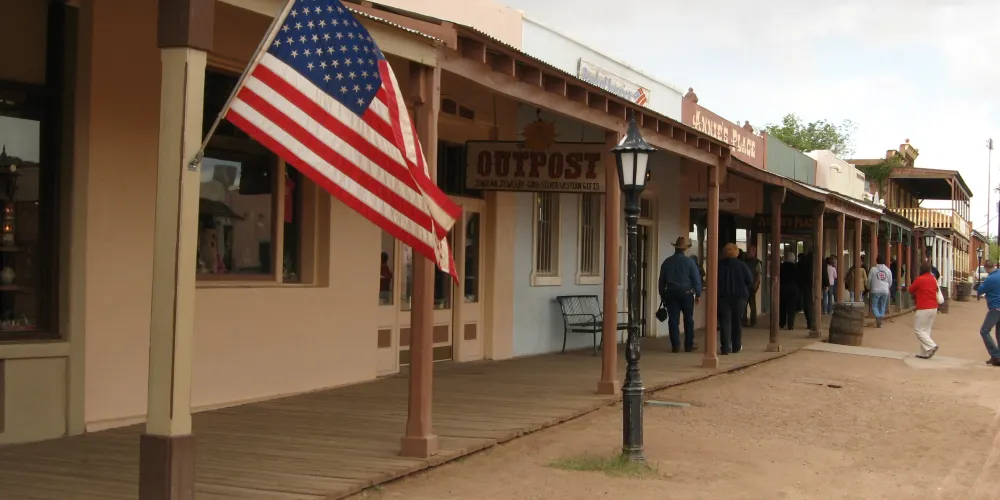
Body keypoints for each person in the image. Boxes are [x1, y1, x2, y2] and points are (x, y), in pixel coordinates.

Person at [658, 236, 702, 353]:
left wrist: (662, 294)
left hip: (671, 293)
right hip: (687, 293)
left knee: (673, 319)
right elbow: (696, 279)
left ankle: (675, 345)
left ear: (675, 248)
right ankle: (689, 344)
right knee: (688, 319)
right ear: (685, 249)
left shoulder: (667, 262)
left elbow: (662, 280)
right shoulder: (690, 262)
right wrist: (698, 294)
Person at [718, 243, 753, 354]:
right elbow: (750, 280)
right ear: (736, 253)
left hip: (723, 296)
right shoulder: (742, 265)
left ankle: (725, 347)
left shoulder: (719, 265)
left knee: (725, 322)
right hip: (739, 297)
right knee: (737, 321)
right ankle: (736, 346)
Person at [908, 261, 940, 359]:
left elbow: (911, 289)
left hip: (923, 307)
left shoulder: (920, 279)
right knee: (926, 330)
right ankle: (924, 353)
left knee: (918, 330)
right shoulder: (933, 279)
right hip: (934, 307)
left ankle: (932, 346)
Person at [975, 260, 1000, 366]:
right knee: (999, 333)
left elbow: (980, 290)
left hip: (996, 307)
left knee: (984, 330)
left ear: (986, 268)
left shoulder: (990, 278)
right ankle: (997, 357)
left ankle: (996, 355)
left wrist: (978, 288)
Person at [868, 254, 892, 328]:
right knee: (883, 305)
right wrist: (887, 287)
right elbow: (890, 281)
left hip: (875, 290)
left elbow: (869, 279)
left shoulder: (873, 269)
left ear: (876, 261)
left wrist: (869, 287)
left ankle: (878, 317)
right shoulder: (888, 270)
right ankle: (880, 317)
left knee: (874, 305)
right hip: (885, 290)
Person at [743, 244, 763, 327]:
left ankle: (753, 321)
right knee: (744, 304)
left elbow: (758, 275)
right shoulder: (744, 261)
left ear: (754, 252)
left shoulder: (757, 262)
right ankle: (744, 320)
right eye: (747, 250)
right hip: (744, 285)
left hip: (752, 285)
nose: (747, 252)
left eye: (749, 251)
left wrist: (755, 285)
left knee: (752, 304)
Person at [779, 252, 800, 330]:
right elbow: (798, 278)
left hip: (783, 288)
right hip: (793, 289)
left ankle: (782, 322)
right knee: (792, 307)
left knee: (782, 306)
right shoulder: (796, 267)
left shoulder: (781, 266)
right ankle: (790, 325)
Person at [797, 250, 815, 330]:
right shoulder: (813, 265)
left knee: (806, 305)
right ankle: (811, 322)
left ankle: (809, 321)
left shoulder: (799, 265)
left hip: (802, 286)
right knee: (811, 304)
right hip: (811, 286)